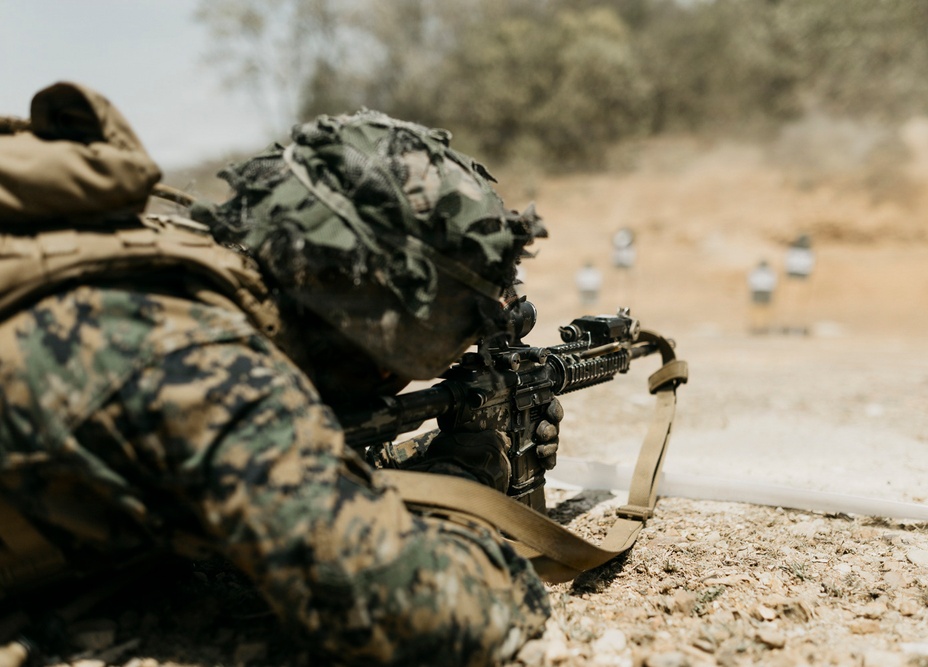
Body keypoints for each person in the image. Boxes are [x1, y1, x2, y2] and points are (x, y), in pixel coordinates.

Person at [0, 82, 555, 666]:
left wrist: (423, 471)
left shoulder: (169, 264)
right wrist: (472, 508)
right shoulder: (204, 362)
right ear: (381, 323)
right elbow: (419, 613)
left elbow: (247, 481)